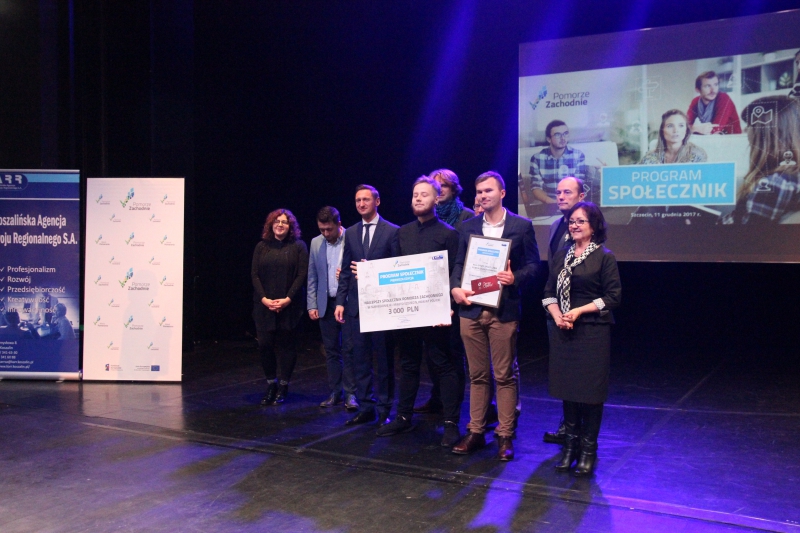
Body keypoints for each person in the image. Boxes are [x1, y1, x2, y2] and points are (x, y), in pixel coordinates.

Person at [450, 171, 540, 461]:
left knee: (503, 375)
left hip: (504, 310)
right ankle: (476, 431)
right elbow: (459, 263)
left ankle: (504, 435)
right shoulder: (468, 226)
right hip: (471, 309)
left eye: (488, 190)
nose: (482, 196)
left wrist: (515, 278)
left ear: (502, 193)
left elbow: (534, 266)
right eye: (479, 192)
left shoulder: (521, 226)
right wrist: (455, 287)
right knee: (477, 375)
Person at [377, 176, 462, 446]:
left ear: (437, 199)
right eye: (415, 194)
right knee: (408, 364)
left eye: (424, 194)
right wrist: (369, 273)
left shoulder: (449, 234)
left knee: (443, 365)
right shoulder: (402, 233)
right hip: (409, 313)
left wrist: (449, 308)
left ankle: (451, 423)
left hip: (438, 315)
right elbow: (392, 270)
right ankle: (403, 417)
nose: (418, 198)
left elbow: (455, 274)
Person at [543, 201, 621, 476]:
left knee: (590, 393)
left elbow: (613, 297)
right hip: (564, 332)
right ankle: (570, 448)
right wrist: (557, 315)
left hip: (592, 332)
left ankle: (588, 450)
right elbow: (548, 293)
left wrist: (578, 311)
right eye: (572, 221)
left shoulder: (604, 257)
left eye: (580, 221)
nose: (574, 225)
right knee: (568, 391)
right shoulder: (561, 255)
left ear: (594, 226)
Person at [335, 185, 400, 426]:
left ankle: (384, 408)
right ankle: (366, 406)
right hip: (357, 306)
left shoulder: (392, 231)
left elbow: (398, 268)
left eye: (366, 199)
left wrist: (372, 271)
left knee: (383, 361)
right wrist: (340, 302)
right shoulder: (351, 232)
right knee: (360, 359)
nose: (361, 204)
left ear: (377, 201)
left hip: (382, 305)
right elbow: (345, 270)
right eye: (357, 200)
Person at [413, 169, 473, 416]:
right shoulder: (425, 220)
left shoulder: (466, 216)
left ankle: (454, 403)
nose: (440, 190)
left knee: (453, 353)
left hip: (454, 293)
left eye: (444, 186)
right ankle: (437, 397)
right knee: (432, 352)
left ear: (453, 189)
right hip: (428, 295)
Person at [542, 176, 586, 445]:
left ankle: (580, 428)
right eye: (558, 192)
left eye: (567, 192)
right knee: (564, 370)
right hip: (556, 308)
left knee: (580, 371)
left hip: (580, 310)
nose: (560, 196)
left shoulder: (589, 228)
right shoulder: (556, 226)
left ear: (581, 196)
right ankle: (568, 426)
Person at [251, 208, 309, 405]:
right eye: (277, 221)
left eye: (284, 222)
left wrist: (288, 299)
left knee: (287, 347)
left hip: (289, 307)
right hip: (264, 306)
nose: (280, 225)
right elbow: (254, 275)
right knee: (265, 345)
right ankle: (271, 384)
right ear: (271, 224)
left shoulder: (298, 246)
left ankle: (283, 386)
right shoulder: (261, 247)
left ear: (290, 226)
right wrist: (264, 299)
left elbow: (302, 274)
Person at [307, 206, 358, 410]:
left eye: (329, 229)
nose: (326, 233)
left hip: (347, 302)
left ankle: (351, 394)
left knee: (349, 349)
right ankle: (336, 392)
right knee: (330, 350)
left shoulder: (352, 238)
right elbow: (312, 275)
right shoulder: (316, 242)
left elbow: (363, 269)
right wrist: (312, 303)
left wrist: (348, 276)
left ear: (339, 224)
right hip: (326, 303)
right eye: (322, 230)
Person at [725, 96, 800, 224]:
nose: (745, 130)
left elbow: (745, 234)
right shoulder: (789, 177)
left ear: (763, 133)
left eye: (750, 125)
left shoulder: (773, 184)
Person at [529, 120, 587, 204]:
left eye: (565, 133)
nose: (563, 138)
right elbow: (536, 187)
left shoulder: (578, 155)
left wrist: (567, 202)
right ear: (549, 139)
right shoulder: (537, 158)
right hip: (547, 203)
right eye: (557, 135)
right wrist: (551, 202)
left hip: (571, 202)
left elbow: (579, 185)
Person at [640, 109, 707, 164]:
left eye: (681, 125)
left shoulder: (697, 154)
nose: (676, 130)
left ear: (686, 130)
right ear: (662, 131)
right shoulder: (650, 157)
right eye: (670, 126)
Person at [687, 71, 742, 135]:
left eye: (716, 85)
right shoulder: (696, 101)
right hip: (714, 138)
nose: (713, 90)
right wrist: (697, 128)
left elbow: (716, 129)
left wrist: (694, 129)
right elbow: (684, 125)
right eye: (707, 86)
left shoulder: (724, 98)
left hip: (732, 138)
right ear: (698, 90)